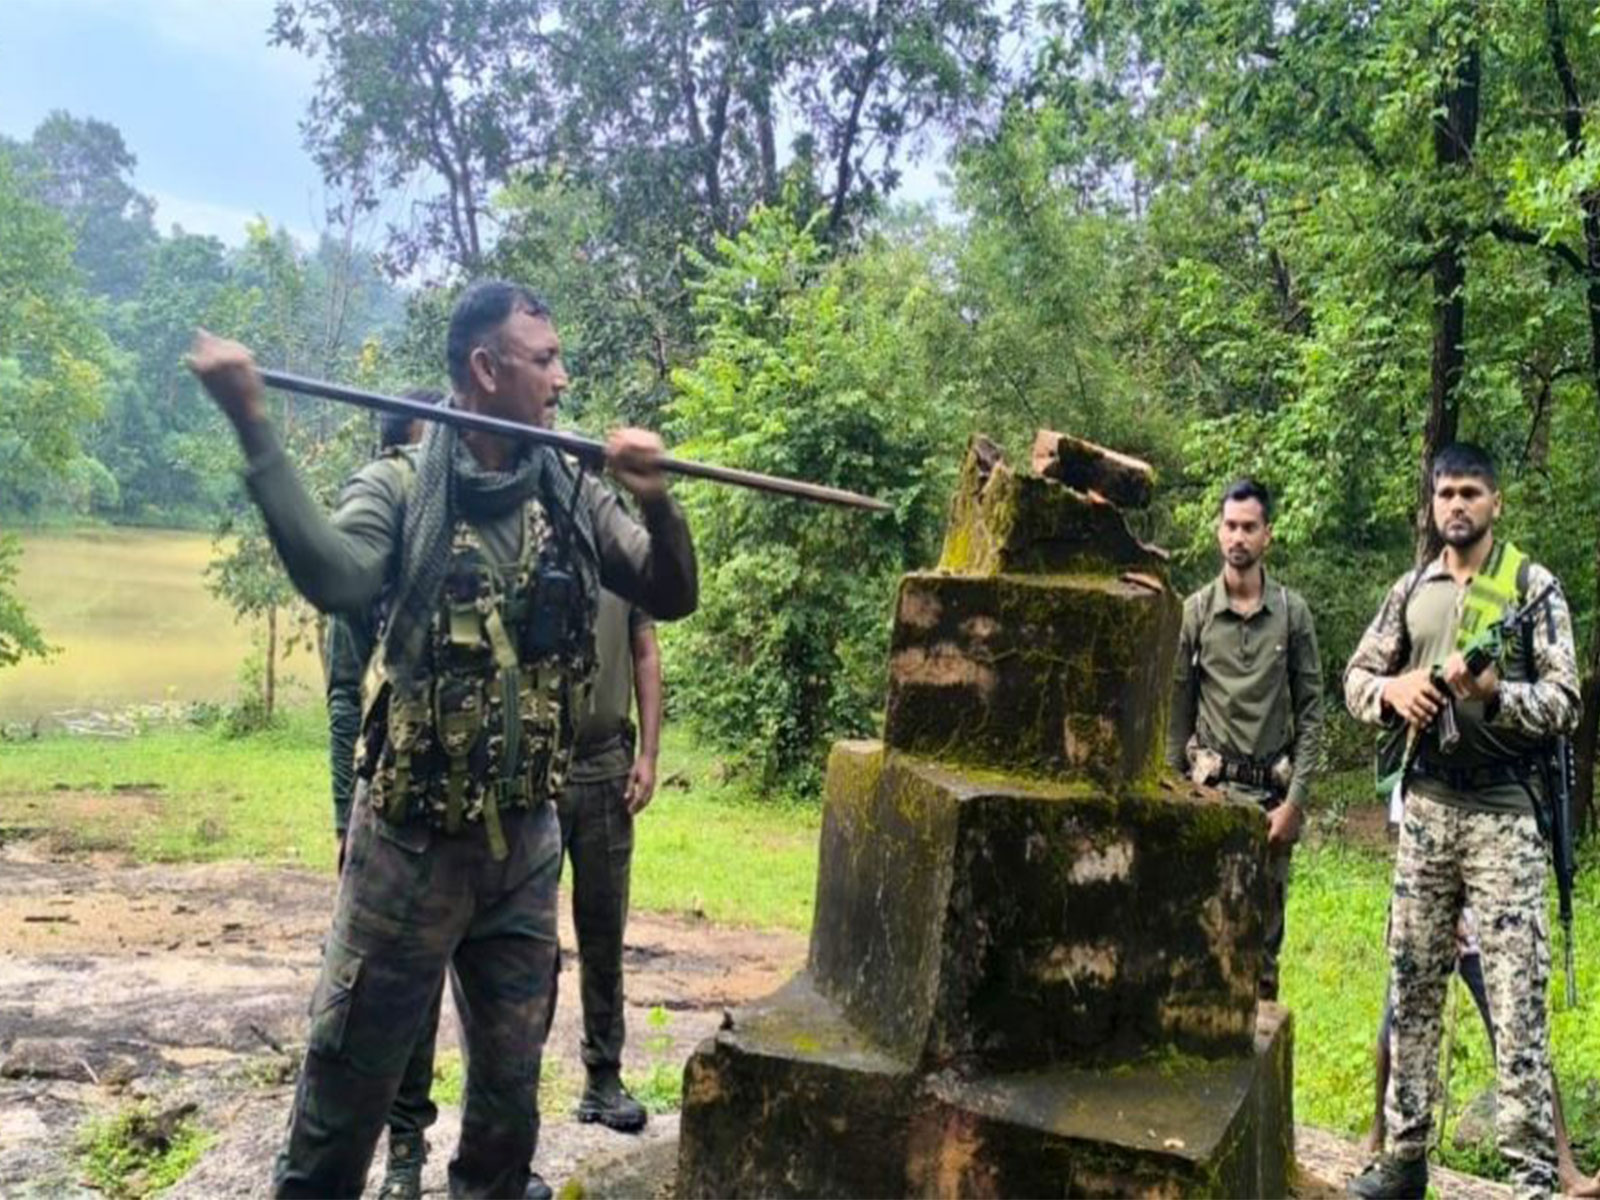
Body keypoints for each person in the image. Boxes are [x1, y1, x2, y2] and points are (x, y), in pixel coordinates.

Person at [187, 280, 697, 1199]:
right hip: (407, 852)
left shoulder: (573, 490)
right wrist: (255, 427)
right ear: (484, 369)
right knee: (343, 1100)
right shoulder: (395, 486)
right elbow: (337, 576)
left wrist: (657, 501)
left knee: (508, 1106)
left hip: (525, 848)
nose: (563, 378)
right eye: (544, 361)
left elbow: (668, 592)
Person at [1344, 442, 1578, 1200]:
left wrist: (1494, 695)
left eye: (1470, 493)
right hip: (1428, 809)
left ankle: (1532, 1177)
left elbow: (1565, 703)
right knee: (1412, 988)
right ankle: (1405, 1160)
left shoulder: (1530, 587)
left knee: (1515, 1002)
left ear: (1495, 502)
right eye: (1445, 493)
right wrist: (1396, 690)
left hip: (1505, 815)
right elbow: (1355, 678)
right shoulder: (1412, 587)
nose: (1456, 506)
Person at [323, 393, 437, 1200]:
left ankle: (424, 1151)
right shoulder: (382, 529)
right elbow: (341, 692)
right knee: (382, 998)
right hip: (390, 810)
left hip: (475, 820)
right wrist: (343, 815)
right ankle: (388, 1151)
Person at [1166, 477, 1323, 1001]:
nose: (1239, 537)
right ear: (1218, 533)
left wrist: (1295, 804)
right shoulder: (1194, 613)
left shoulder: (1292, 613)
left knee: (1262, 961)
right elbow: (1175, 712)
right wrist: (1176, 795)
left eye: (1249, 527)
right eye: (1230, 526)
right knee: (1198, 948)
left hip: (1271, 805)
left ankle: (1259, 1073)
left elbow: (1312, 714)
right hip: (1210, 796)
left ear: (1267, 535)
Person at [555, 589, 660, 1133]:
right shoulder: (534, 529)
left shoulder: (621, 554)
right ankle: (511, 1096)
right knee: (523, 947)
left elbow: (645, 650)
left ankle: (603, 1078)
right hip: (538, 771)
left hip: (607, 768)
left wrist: (648, 755)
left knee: (602, 934)